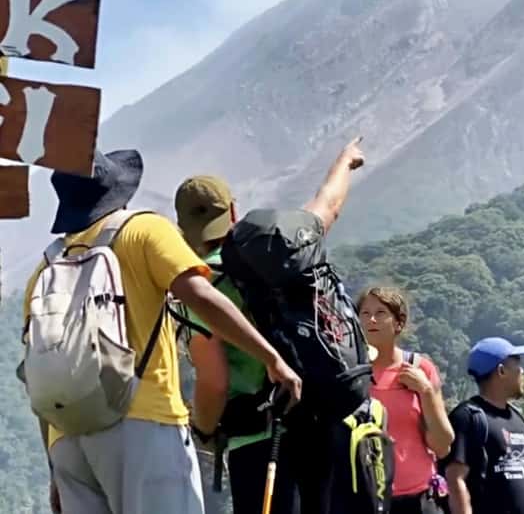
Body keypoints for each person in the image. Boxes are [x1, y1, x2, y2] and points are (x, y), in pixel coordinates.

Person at [20, 149, 302, 514]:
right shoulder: (141, 230)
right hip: (142, 422)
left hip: (68, 443)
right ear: (115, 189)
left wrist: (56, 469)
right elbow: (199, 294)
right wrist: (272, 358)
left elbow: (39, 376)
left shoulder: (45, 269)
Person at [174, 137, 366, 514]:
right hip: (323, 419)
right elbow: (329, 203)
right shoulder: (285, 247)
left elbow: (215, 381)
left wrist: (205, 431)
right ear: (232, 211)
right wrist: (346, 160)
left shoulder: (202, 286)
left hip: (260, 439)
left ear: (182, 229)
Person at [357, 286, 454, 514]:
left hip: (417, 498)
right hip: (364, 498)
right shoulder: (350, 373)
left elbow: (442, 445)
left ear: (398, 323)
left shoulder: (419, 369)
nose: (371, 319)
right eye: (364, 313)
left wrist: (426, 391)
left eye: (381, 313)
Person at [441, 337, 524, 514]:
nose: (522, 371)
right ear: (501, 371)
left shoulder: (520, 418)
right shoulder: (468, 417)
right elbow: (455, 479)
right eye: (517, 364)